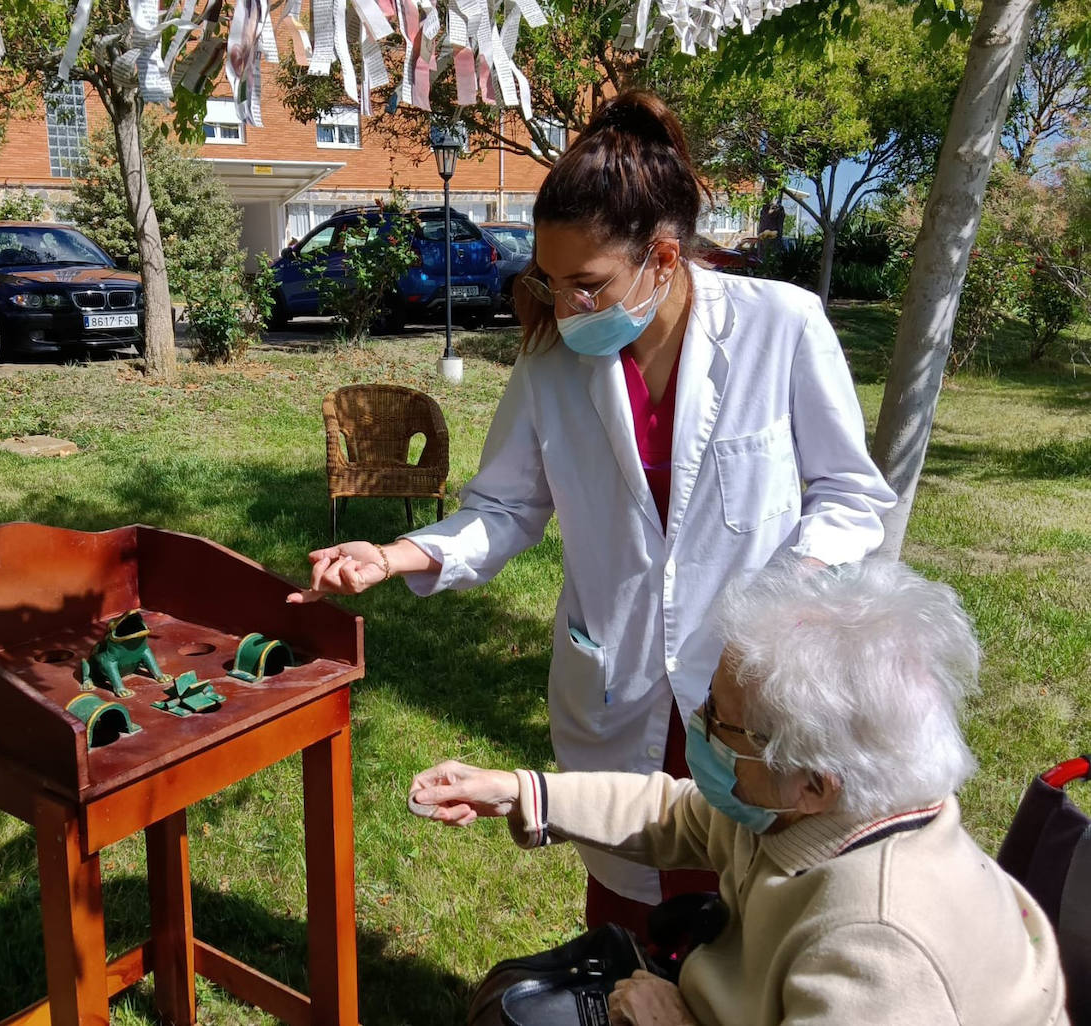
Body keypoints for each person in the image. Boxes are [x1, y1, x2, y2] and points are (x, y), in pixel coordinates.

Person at [290, 88, 896, 931]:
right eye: (551, 280)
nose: (567, 306)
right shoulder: (553, 365)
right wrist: (399, 556)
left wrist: (780, 603)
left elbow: (850, 496)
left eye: (588, 285)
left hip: (754, 692)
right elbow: (503, 507)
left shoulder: (780, 327)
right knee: (633, 913)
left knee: (763, 916)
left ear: (666, 258)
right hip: (624, 684)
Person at [408, 560, 1070, 1026]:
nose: (696, 725)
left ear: (813, 782)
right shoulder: (804, 813)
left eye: (720, 719)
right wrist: (520, 792)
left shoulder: (878, 952)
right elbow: (676, 815)